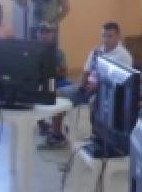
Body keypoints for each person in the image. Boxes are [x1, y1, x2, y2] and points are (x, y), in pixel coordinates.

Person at [41, 21, 132, 149]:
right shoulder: (97, 51)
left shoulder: (124, 56)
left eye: (110, 36)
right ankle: (57, 135)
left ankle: (98, 137)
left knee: (95, 102)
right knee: (58, 94)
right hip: (87, 87)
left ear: (118, 36)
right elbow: (86, 70)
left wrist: (98, 87)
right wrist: (82, 85)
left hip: (106, 92)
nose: (106, 39)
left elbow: (121, 82)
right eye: (104, 36)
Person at [38, 22, 69, 88]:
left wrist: (53, 71)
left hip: (55, 81)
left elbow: (64, 72)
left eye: (47, 33)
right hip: (38, 82)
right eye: (41, 33)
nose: (44, 36)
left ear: (53, 34)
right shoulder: (33, 52)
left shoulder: (58, 53)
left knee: (72, 88)